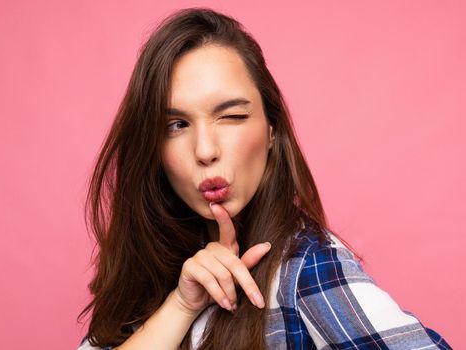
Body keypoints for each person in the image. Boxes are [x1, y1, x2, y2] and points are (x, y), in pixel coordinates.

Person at [77, 7, 451, 350]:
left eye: (232, 117)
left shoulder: (304, 268)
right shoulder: (146, 266)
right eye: (176, 125)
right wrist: (181, 305)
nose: (205, 150)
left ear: (271, 130)